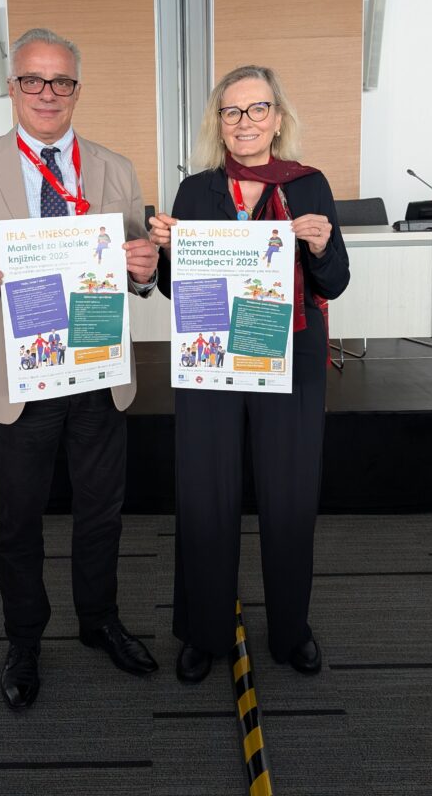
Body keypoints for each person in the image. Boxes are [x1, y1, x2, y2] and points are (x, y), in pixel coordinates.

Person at [0, 27, 159, 711]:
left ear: (77, 90)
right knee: (19, 519)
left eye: (61, 81)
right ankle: (24, 639)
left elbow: (137, 262)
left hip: (94, 369)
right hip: (17, 375)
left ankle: (99, 621)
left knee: (101, 514)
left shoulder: (115, 168)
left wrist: (144, 270)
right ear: (12, 87)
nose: (47, 93)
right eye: (33, 79)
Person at [149, 64, 349, 684]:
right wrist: (164, 253)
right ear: (218, 122)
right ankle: (204, 632)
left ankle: (292, 629)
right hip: (212, 360)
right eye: (232, 112)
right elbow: (173, 291)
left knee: (289, 495)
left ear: (278, 118)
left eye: (257, 109)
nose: (244, 122)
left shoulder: (310, 185)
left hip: (289, 359)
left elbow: (335, 283)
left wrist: (319, 247)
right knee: (205, 492)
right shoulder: (194, 192)